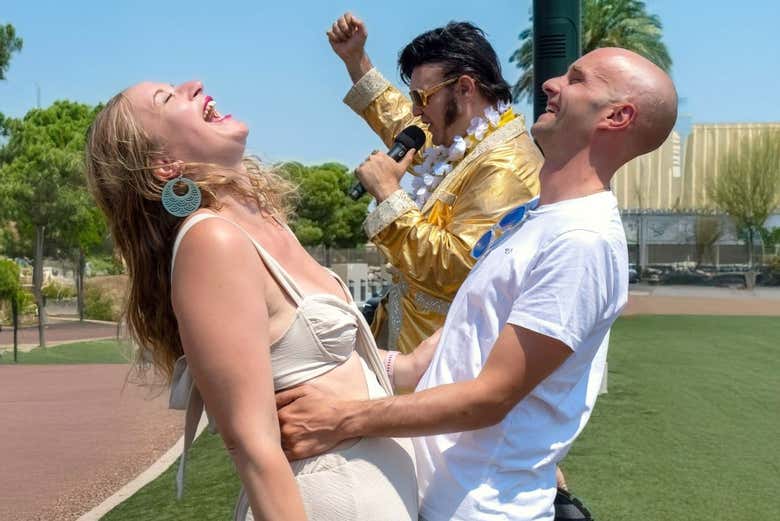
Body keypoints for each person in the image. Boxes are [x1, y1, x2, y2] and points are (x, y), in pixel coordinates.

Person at [277, 47, 678, 521]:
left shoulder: (582, 240)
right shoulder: (534, 218)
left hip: (475, 508)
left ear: (617, 115)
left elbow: (491, 397)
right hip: (432, 494)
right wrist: (347, 363)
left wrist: (339, 418)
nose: (551, 84)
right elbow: (445, 350)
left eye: (576, 79)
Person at [84, 80, 438, 520]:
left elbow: (307, 359)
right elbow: (252, 445)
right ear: (164, 165)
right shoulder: (211, 240)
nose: (193, 85)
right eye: (167, 98)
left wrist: (407, 362)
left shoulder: (263, 218)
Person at [329, 13, 541, 353]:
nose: (415, 112)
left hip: (449, 361)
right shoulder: (459, 139)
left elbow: (457, 266)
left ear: (465, 88)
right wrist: (356, 60)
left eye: (421, 98)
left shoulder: (506, 166)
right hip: (414, 343)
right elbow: (398, 118)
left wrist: (389, 194)